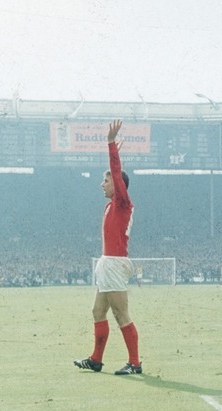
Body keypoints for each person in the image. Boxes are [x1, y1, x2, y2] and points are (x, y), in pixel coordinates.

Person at [75, 119, 142, 375]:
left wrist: (111, 144)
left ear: (117, 184)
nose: (101, 185)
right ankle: (96, 359)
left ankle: (135, 363)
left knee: (120, 314)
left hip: (114, 262)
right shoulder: (111, 205)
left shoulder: (123, 202)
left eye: (105, 181)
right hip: (108, 262)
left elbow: (116, 172)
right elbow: (115, 174)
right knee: (98, 310)